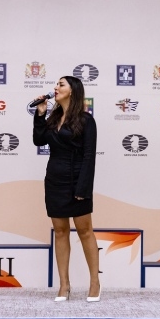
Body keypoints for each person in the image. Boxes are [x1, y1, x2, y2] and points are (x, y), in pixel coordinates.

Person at [32, 76, 101, 302]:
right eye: (56, 84)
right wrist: (40, 114)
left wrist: (83, 188)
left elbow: (89, 156)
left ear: (73, 91)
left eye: (61, 84)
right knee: (60, 231)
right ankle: (64, 285)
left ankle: (94, 283)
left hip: (77, 180)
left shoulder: (86, 120)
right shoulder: (53, 118)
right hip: (54, 180)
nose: (56, 87)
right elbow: (38, 140)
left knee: (85, 230)